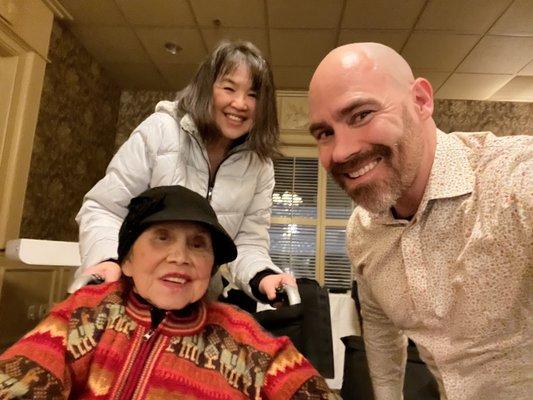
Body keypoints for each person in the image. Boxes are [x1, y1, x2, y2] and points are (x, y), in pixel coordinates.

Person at [308, 42, 532, 400]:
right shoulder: (363, 232)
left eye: (362, 114)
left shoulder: (512, 182)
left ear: (422, 101)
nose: (342, 151)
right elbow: (381, 330)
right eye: (324, 133)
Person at [0, 185, 339, 399]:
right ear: (127, 260)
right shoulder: (85, 313)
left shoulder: (245, 339)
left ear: (210, 270)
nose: (180, 256)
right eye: (162, 236)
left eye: (197, 244)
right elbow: (23, 377)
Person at [72, 40, 294, 303]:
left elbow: (247, 242)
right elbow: (104, 208)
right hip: (130, 291)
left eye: (253, 95)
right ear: (206, 89)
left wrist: (263, 275)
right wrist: (107, 260)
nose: (240, 103)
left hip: (198, 298)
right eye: (229, 88)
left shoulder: (260, 165)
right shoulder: (160, 130)